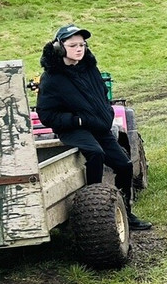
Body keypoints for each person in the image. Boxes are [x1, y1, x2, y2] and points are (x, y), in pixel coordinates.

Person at [36, 24, 152, 230]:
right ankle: (93, 213)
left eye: (82, 44)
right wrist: (77, 121)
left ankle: (126, 212)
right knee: (95, 153)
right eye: (73, 45)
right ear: (59, 48)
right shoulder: (51, 79)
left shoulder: (90, 68)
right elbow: (47, 115)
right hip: (73, 130)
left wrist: (105, 113)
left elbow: (101, 96)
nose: (79, 49)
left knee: (124, 165)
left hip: (99, 127)